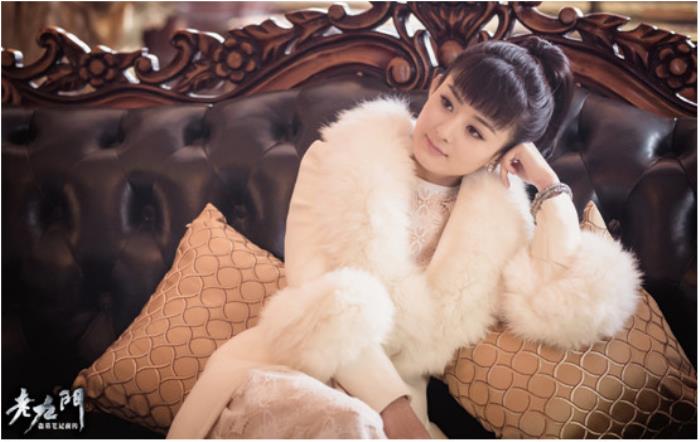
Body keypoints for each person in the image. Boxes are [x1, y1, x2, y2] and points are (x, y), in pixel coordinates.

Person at [167, 35, 641, 439]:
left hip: (395, 413)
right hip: (286, 373)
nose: (446, 131)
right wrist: (394, 412)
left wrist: (549, 187)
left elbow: (559, 303)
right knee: (348, 424)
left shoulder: (502, 224)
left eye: (476, 132)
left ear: (504, 152)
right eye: (448, 102)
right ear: (434, 85)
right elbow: (318, 295)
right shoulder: (337, 158)